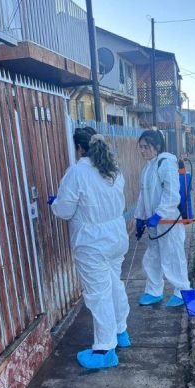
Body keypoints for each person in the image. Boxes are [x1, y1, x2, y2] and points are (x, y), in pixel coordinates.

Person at [49, 127, 130, 369]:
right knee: (114, 284)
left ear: (79, 148)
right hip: (116, 236)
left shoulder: (77, 172)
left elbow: (64, 210)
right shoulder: (113, 170)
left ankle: (105, 349)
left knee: (98, 294)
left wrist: (55, 203)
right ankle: (120, 332)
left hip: (92, 242)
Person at [134, 130, 192, 308]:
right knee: (153, 258)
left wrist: (159, 214)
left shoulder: (166, 163)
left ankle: (182, 291)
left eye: (146, 147)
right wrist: (139, 217)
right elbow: (144, 196)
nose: (143, 151)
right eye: (141, 147)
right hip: (154, 223)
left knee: (173, 257)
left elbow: (172, 194)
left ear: (157, 147)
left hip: (168, 222)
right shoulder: (148, 167)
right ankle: (154, 291)